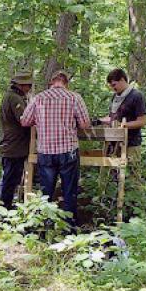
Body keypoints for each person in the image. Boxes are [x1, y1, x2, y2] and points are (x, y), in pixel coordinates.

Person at [20, 69, 92, 223]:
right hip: (68, 151)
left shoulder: (39, 98)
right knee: (69, 191)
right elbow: (85, 124)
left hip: (45, 151)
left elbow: (24, 121)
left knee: (46, 192)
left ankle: (44, 225)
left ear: (51, 82)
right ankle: (69, 226)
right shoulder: (74, 98)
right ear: (66, 83)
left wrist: (39, 120)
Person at [98, 68, 146, 197]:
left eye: (114, 84)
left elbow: (142, 121)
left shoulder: (136, 96)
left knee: (132, 174)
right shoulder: (115, 97)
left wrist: (124, 125)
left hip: (131, 143)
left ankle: (136, 201)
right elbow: (113, 117)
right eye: (110, 85)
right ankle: (113, 199)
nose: (112, 88)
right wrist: (101, 121)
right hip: (114, 143)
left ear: (122, 80)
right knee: (113, 173)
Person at [0, 72, 33, 210]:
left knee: (10, 178)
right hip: (13, 146)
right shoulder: (14, 98)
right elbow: (24, 120)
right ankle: (4, 208)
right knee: (10, 180)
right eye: (28, 85)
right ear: (21, 85)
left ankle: (4, 206)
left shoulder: (12, 96)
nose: (29, 88)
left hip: (13, 145)